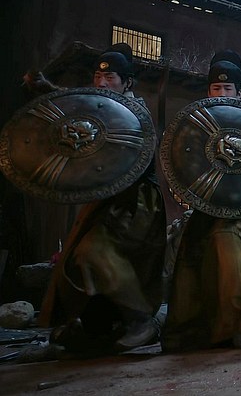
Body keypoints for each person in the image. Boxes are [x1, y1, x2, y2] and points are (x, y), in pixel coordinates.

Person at [37, 44, 167, 353]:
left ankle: (140, 320)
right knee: (76, 261)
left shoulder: (135, 112)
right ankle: (93, 325)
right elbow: (75, 109)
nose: (102, 83)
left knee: (94, 252)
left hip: (136, 203)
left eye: (110, 78)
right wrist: (48, 90)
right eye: (97, 77)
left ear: (127, 82)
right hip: (105, 201)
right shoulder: (98, 107)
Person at [161, 50, 241, 351]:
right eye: (216, 88)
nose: (222, 93)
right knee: (191, 255)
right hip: (206, 206)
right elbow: (185, 161)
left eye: (228, 88)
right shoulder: (197, 123)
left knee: (226, 240)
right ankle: (192, 328)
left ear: (239, 93)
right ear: (208, 92)